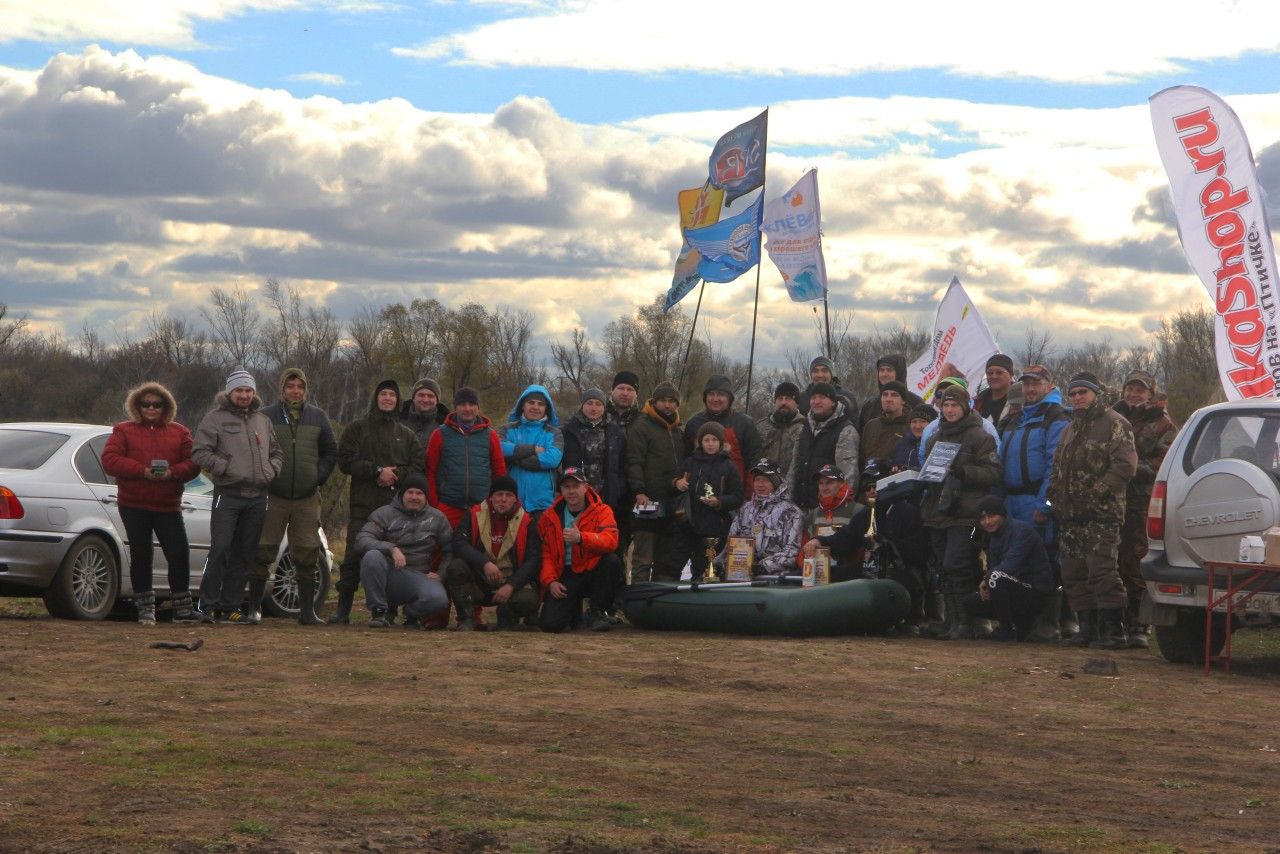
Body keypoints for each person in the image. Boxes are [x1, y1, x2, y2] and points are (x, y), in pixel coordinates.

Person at [1048, 372, 1137, 650]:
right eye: (1073, 394)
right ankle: (1086, 629)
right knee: (1073, 573)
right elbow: (1058, 467)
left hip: (1102, 514)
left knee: (1102, 572)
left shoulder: (1115, 423)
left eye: (1082, 393)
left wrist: (1096, 492)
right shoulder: (1069, 428)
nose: (1077, 398)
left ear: (1096, 394)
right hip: (1070, 515)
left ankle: (1115, 631)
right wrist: (1054, 494)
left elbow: (1125, 466)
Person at [101, 382, 201, 625]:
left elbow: (194, 462)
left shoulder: (180, 432)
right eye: (145, 404)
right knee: (141, 553)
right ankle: (145, 608)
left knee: (178, 552)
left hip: (168, 504)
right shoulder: (123, 430)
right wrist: (142, 471)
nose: (151, 408)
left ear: (166, 406)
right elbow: (110, 460)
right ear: (137, 405)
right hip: (133, 503)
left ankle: (182, 608)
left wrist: (173, 473)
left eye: (157, 404)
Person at [192, 368, 284, 623]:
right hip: (228, 494)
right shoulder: (214, 418)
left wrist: (271, 471)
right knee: (220, 549)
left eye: (248, 390)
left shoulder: (262, 421)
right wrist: (224, 467)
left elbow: (277, 452)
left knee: (245, 553)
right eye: (239, 390)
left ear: (253, 392)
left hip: (257, 496)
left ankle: (230, 607)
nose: (244, 395)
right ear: (230, 392)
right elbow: (199, 452)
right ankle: (205, 606)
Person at [251, 368, 338, 626]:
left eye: (300, 386)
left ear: (305, 389)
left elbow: (330, 452)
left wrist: (317, 477)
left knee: (307, 551)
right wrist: (266, 476)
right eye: (291, 386)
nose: (295, 391)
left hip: (307, 496)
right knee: (264, 549)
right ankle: (254, 609)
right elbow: (255, 451)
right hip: (273, 495)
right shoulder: (265, 415)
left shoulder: (318, 416)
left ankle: (307, 612)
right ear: (283, 388)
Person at [334, 379, 424, 624]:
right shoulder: (357, 428)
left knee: (394, 558)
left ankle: (387, 611)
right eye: (383, 394)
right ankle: (342, 610)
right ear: (376, 398)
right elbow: (345, 460)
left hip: (395, 508)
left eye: (392, 396)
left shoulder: (405, 434)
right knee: (354, 556)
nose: (387, 399)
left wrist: (394, 475)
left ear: (397, 401)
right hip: (364, 505)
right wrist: (376, 471)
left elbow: (417, 465)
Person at [919, 385, 1002, 640]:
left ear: (965, 407)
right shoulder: (935, 437)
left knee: (958, 565)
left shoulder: (980, 436)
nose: (950, 410)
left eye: (955, 405)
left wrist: (963, 472)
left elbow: (994, 472)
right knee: (943, 568)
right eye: (945, 405)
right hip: (938, 511)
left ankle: (967, 621)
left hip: (966, 512)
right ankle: (952, 621)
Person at [999, 365, 1070, 638]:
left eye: (1036, 383)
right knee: (1016, 559)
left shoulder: (1057, 417)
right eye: (1026, 384)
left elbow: (1056, 465)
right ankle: (1021, 620)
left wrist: (1045, 505)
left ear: (1049, 385)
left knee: (1045, 560)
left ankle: (1050, 622)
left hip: (1037, 499)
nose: (1030, 389)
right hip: (1012, 501)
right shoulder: (1014, 419)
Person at [1112, 370, 1178, 649]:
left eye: (1140, 390)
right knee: (1111, 559)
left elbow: (1163, 462)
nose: (1133, 394)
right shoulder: (1113, 418)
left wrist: (1128, 470)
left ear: (1151, 394)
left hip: (1142, 500)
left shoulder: (1164, 425)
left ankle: (1140, 622)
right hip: (1112, 498)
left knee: (1136, 558)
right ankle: (1115, 619)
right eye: (1130, 389)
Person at [356, 473, 452, 628]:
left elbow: (450, 551)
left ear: (426, 496)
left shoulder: (438, 518)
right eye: (410, 492)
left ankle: (412, 615)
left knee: (438, 599)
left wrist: (441, 574)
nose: (414, 497)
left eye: (419, 493)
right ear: (402, 493)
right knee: (371, 556)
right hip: (389, 574)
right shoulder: (384, 514)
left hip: (419, 576)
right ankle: (379, 611)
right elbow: (362, 539)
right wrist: (391, 548)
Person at [446, 475, 541, 630]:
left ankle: (505, 616)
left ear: (515, 499)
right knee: (456, 567)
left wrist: (511, 585)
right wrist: (484, 563)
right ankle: (467, 618)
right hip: (481, 580)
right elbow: (459, 543)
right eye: (498, 494)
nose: (503, 499)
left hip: (510, 583)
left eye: (508, 495)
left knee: (529, 599)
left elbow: (534, 560)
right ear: (491, 498)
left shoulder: (527, 521)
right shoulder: (474, 514)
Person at [538, 467, 621, 633]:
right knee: (550, 625)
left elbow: (611, 541)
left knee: (612, 561)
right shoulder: (548, 517)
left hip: (591, 569)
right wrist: (551, 581)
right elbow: (546, 554)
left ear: (586, 487)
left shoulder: (602, 511)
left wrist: (582, 538)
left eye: (576, 486)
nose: (571, 491)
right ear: (561, 490)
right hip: (565, 574)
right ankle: (575, 613)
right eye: (566, 487)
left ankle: (597, 611)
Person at [961, 496, 1055, 641]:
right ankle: (1019, 625)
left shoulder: (1022, 531)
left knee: (995, 578)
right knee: (970, 602)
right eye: (983, 518)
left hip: (1036, 592)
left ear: (1003, 515)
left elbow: (1010, 565)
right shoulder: (994, 537)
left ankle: (1007, 629)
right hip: (1012, 588)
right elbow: (995, 567)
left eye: (991, 516)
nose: (987, 521)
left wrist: (987, 580)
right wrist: (987, 583)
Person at [626, 380, 688, 581]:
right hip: (647, 502)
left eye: (672, 401)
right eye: (663, 400)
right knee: (643, 558)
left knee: (665, 560)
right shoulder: (641, 426)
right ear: (654, 401)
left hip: (672, 503)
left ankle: (659, 605)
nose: (668, 405)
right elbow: (633, 461)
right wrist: (639, 491)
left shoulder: (679, 429)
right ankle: (637, 603)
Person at [669, 422, 745, 581]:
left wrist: (719, 501)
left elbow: (737, 497)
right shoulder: (690, 462)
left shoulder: (728, 466)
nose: (710, 444)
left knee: (703, 568)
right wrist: (677, 483)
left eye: (714, 440)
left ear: (721, 443)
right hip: (687, 523)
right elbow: (672, 482)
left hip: (714, 526)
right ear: (700, 442)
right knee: (673, 565)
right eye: (706, 440)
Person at [426, 386, 506, 527]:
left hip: (482, 507)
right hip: (448, 506)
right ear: (455, 407)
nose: (467, 409)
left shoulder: (491, 435)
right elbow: (430, 471)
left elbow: (499, 472)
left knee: (477, 547)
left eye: (472, 404)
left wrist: (495, 502)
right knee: (445, 547)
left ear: (478, 407)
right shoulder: (439, 434)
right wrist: (435, 504)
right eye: (462, 404)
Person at [719, 459, 804, 577]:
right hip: (741, 575)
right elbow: (730, 545)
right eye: (757, 480)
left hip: (776, 578)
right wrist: (720, 564)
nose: (760, 484)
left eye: (765, 480)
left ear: (776, 482)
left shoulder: (791, 512)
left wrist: (763, 567)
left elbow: (791, 553)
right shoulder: (745, 510)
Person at [788, 382, 859, 510]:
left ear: (832, 402)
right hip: (799, 507)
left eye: (822, 397)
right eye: (813, 398)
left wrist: (840, 507)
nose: (816, 401)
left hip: (829, 510)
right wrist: (788, 500)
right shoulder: (804, 427)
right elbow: (794, 467)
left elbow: (849, 475)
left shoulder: (845, 431)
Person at [683, 375, 762, 488]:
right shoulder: (693, 423)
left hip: (734, 495)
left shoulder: (744, 423)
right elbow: (686, 460)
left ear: (729, 398)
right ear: (705, 398)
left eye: (720, 394)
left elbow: (754, 462)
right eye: (711, 394)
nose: (715, 399)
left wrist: (749, 495)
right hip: (698, 494)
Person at [499, 384, 564, 516]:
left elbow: (552, 459)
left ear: (546, 409)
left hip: (542, 504)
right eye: (531, 402)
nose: (535, 407)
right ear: (522, 405)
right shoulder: (507, 429)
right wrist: (533, 449)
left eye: (540, 404)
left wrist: (516, 457)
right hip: (511, 502)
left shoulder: (554, 433)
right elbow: (500, 448)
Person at [801, 464, 871, 582]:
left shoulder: (859, 511)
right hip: (817, 577)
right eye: (821, 483)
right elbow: (803, 548)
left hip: (850, 579)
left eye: (829, 483)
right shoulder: (812, 515)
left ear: (842, 484)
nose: (824, 487)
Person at [857, 354, 923, 429]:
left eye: (889, 370)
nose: (884, 374)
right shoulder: (870, 406)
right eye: (881, 370)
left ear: (899, 373)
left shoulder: (916, 403)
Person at [860, 381, 911, 475]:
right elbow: (861, 460)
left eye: (894, 395)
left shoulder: (911, 426)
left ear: (903, 400)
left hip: (897, 482)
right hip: (870, 483)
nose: (888, 399)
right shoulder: (871, 426)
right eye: (885, 395)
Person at [757, 381, 803, 476]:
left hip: (793, 485)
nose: (783, 402)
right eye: (780, 398)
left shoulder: (805, 428)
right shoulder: (761, 427)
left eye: (788, 399)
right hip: (765, 484)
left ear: (797, 403)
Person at [400, 377, 449, 447]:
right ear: (413, 398)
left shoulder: (446, 428)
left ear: (437, 401)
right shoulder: (397, 421)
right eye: (421, 395)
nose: (425, 400)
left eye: (430, 396)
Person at [974, 354, 1016, 426]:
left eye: (999, 372)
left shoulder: (1020, 402)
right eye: (990, 373)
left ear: (1011, 374)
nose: (994, 376)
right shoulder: (977, 402)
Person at [892, 404, 936, 471]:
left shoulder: (936, 445)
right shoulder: (901, 444)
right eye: (914, 421)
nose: (917, 426)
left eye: (923, 421)